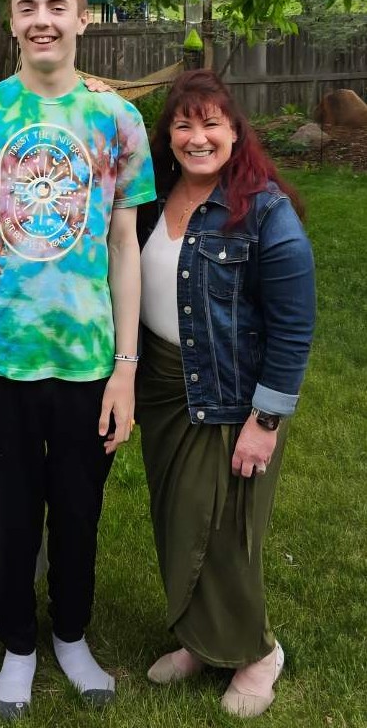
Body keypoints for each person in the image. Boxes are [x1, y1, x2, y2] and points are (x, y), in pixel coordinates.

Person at [0, 0, 155, 719]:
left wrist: (125, 368)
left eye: (57, 6)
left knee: (78, 511)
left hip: (87, 360)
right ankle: (18, 646)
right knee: (8, 512)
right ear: (12, 18)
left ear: (82, 18)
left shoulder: (116, 121)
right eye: (28, 6)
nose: (42, 20)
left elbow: (124, 247)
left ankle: (70, 634)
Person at [137, 69, 315, 717]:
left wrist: (265, 420)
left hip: (232, 397)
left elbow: (293, 327)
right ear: (168, 136)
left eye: (211, 123)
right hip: (162, 390)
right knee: (177, 523)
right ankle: (200, 640)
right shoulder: (152, 199)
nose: (197, 137)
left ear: (235, 132)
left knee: (226, 535)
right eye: (183, 124)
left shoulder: (264, 211)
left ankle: (257, 654)